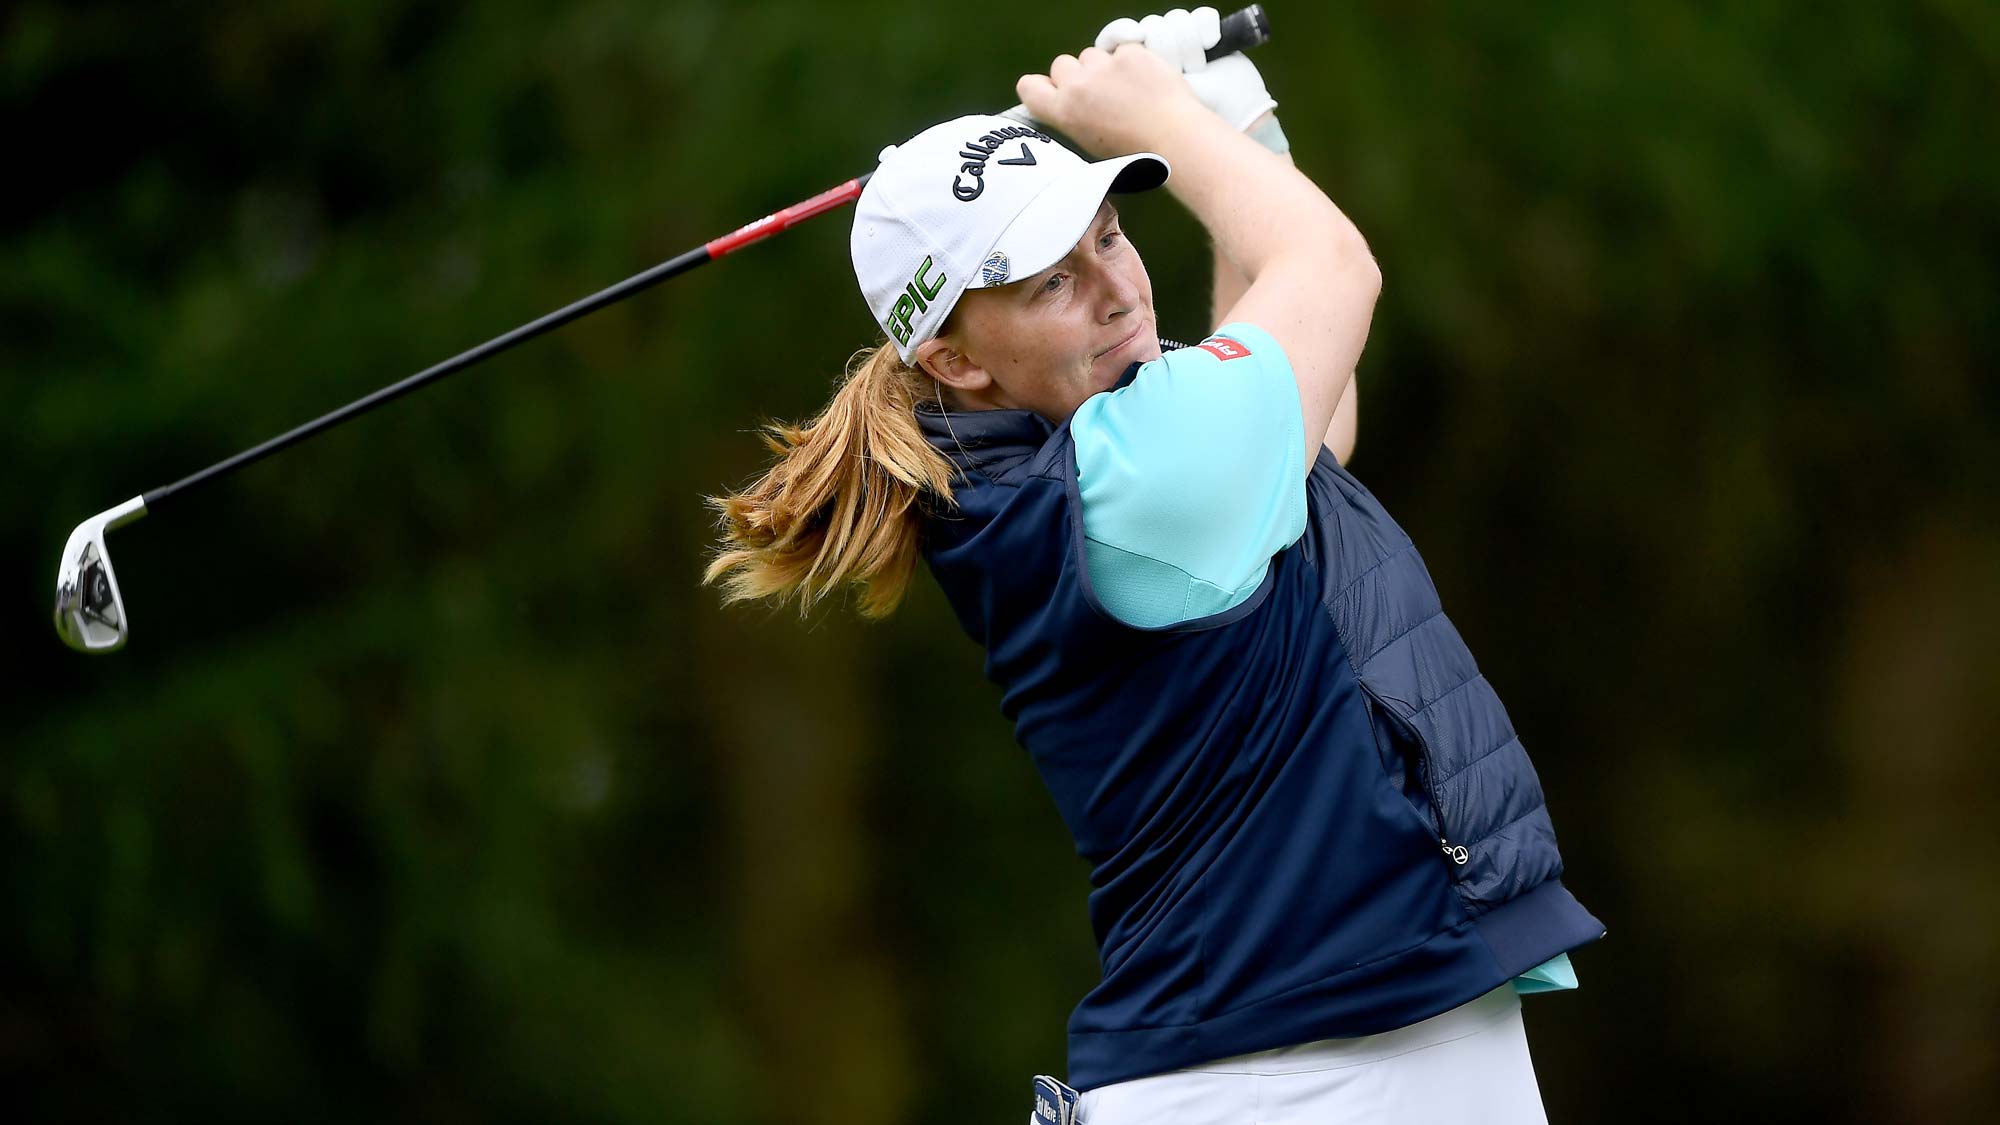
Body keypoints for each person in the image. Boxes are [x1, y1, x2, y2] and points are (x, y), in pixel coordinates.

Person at [706, 9, 1606, 1122]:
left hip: (1328, 1055)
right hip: (1295, 1078)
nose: (1118, 287)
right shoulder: (1130, 479)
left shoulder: (1090, 466)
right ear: (952, 358)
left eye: (1107, 236)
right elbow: (1331, 266)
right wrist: (1166, 117)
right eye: (1048, 282)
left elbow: (1312, 434)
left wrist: (1234, 113)